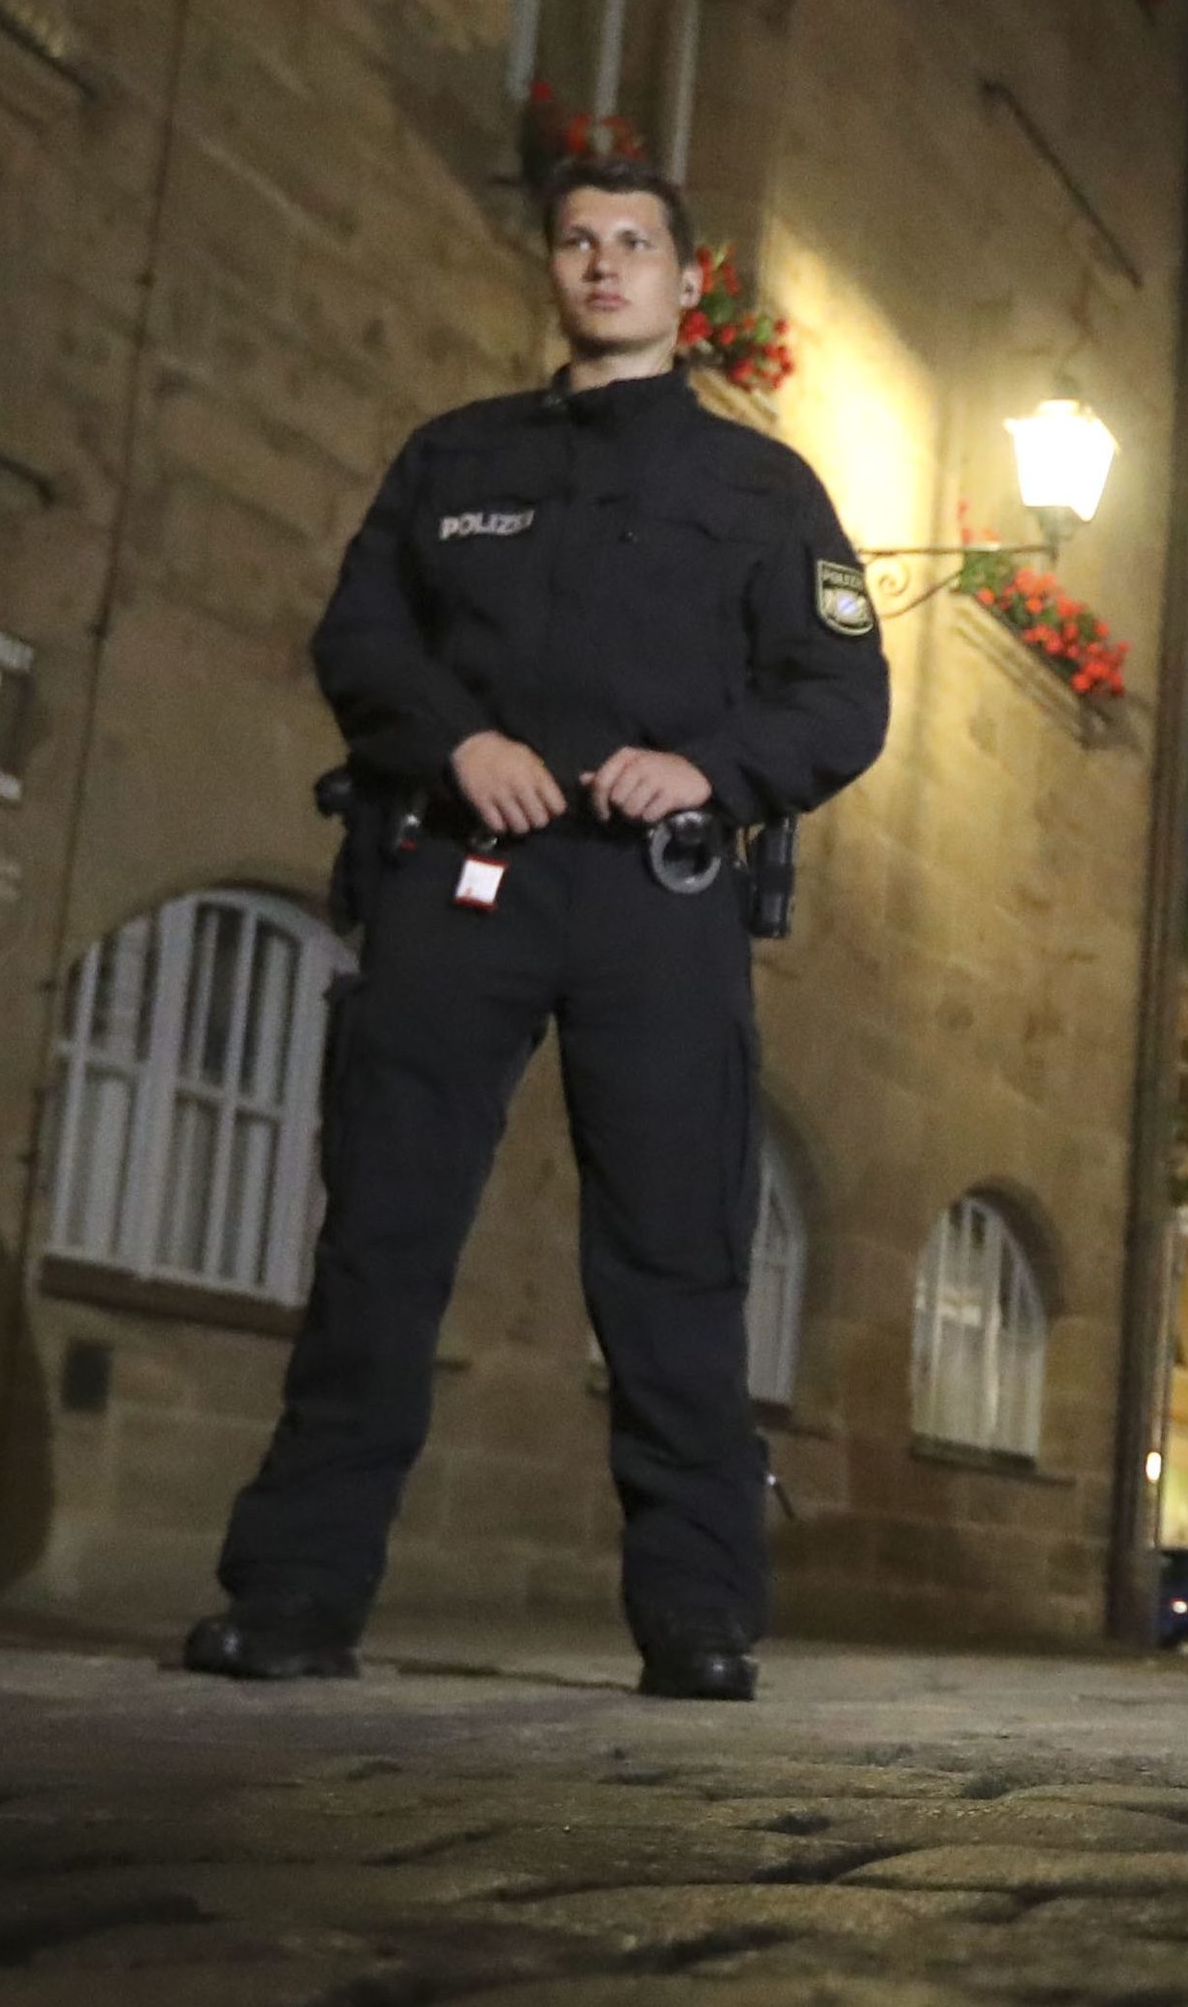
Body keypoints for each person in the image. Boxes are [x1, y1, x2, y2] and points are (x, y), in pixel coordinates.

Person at [182, 151, 889, 1701]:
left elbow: (843, 697)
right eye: (579, 241)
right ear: (554, 271)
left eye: (637, 242)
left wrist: (709, 765)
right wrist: (454, 740)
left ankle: (698, 1615)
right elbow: (360, 632)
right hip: (462, 873)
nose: (605, 263)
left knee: (673, 1257)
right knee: (383, 1226)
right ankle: (294, 1592)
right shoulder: (453, 457)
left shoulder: (762, 490)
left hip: (654, 896)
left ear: (687, 283)